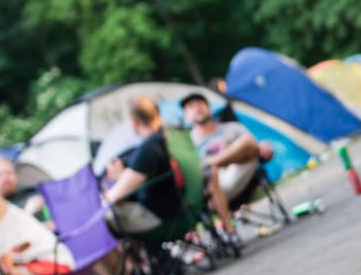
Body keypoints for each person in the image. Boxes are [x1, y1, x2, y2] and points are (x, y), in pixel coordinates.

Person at [180, 93, 274, 226]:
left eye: (200, 103)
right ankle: (213, 166)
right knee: (209, 173)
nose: (197, 108)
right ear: (186, 116)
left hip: (241, 173)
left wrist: (264, 149)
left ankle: (211, 163)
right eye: (190, 107)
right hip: (212, 187)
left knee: (247, 142)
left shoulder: (232, 128)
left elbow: (255, 148)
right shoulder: (187, 144)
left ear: (209, 108)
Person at [103, 95, 183, 238]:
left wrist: (117, 179)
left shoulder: (150, 147)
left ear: (134, 122)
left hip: (161, 217)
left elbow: (113, 197)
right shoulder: (173, 135)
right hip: (183, 205)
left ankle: (131, 261)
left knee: (102, 219)